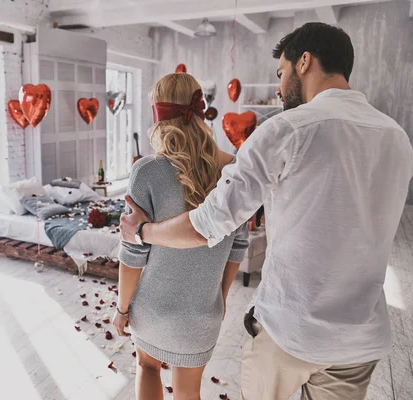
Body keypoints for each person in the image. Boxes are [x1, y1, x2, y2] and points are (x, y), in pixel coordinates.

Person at [119, 22, 413, 400]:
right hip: (359, 339)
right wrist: (220, 296)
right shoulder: (397, 138)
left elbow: (210, 224)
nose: (278, 87)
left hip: (289, 329)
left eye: (281, 72)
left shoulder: (287, 130)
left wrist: (143, 232)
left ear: (304, 62)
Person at [112, 73, 249, 400]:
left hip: (153, 310)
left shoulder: (147, 172)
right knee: (189, 389)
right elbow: (238, 246)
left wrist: (121, 308)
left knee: (147, 368)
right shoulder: (234, 169)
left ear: (158, 116)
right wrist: (219, 299)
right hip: (203, 314)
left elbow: (133, 253)